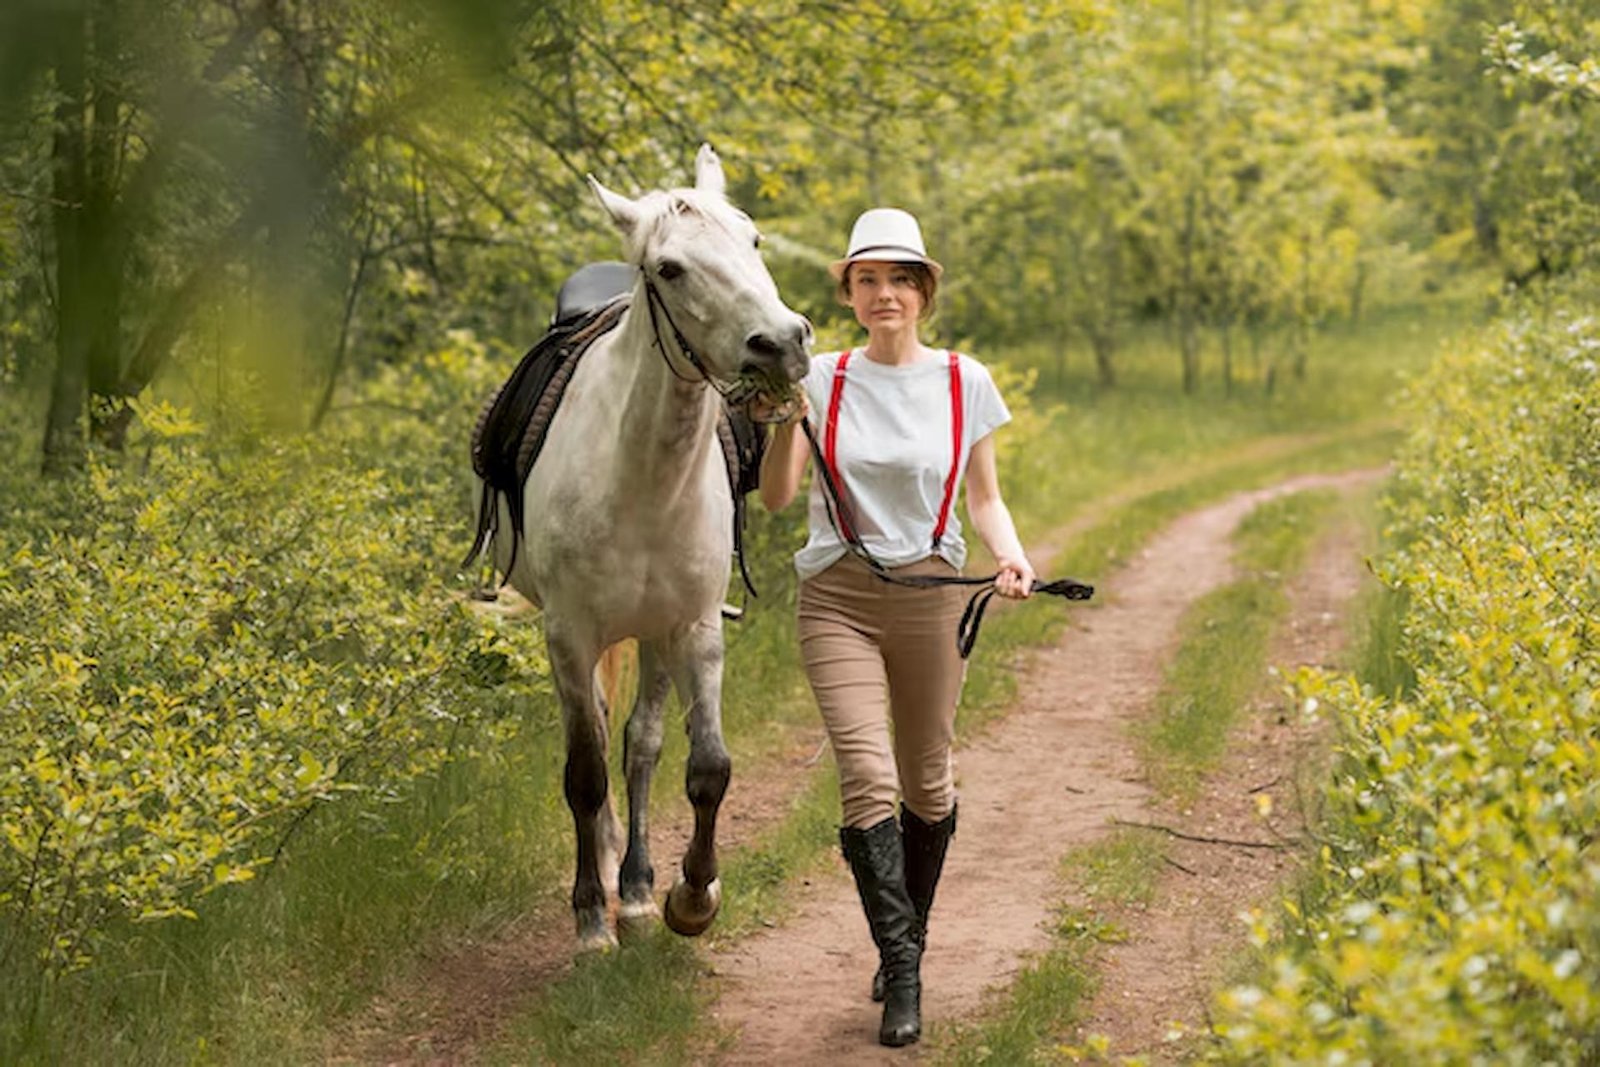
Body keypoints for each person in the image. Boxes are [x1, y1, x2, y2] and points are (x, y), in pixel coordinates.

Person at [757, 207, 1035, 1047]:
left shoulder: (963, 380)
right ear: (848, 291)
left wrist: (1014, 556)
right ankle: (903, 969)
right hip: (836, 594)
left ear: (923, 290)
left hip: (931, 593)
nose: (886, 294)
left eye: (900, 279)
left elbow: (983, 495)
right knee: (867, 777)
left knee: (927, 781)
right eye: (869, 279)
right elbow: (776, 499)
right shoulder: (823, 381)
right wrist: (778, 419)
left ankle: (906, 931)